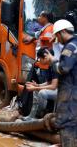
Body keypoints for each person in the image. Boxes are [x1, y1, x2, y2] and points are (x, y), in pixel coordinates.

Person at [45, 19, 77, 147]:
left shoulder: (70, 47)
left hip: (70, 94)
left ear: (62, 32)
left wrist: (53, 61)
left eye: (57, 35)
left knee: (67, 124)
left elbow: (63, 68)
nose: (57, 39)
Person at [21, 47, 58, 121]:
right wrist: (37, 85)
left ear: (45, 55)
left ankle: (38, 117)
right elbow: (49, 82)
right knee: (36, 91)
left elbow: (53, 86)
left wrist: (35, 88)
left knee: (42, 93)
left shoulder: (55, 64)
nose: (39, 61)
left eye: (40, 58)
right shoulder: (51, 65)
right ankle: (32, 116)